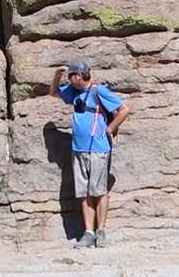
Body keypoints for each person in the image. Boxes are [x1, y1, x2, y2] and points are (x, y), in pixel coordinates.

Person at [49, 59, 129, 249]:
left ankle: (101, 232)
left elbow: (124, 110)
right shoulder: (72, 91)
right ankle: (88, 232)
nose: (69, 79)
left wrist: (110, 129)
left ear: (80, 75)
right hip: (78, 149)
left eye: (71, 75)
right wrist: (57, 75)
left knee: (99, 191)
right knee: (84, 193)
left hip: (99, 149)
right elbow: (53, 93)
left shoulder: (98, 91)